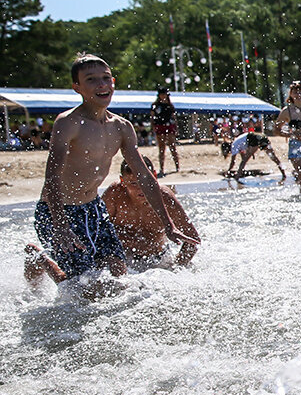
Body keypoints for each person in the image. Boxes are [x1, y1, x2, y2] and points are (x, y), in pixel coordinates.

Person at [30, 55, 199, 294]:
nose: (101, 85)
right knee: (81, 289)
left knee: (120, 278)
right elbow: (53, 177)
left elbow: (145, 176)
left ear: (113, 82)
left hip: (93, 208)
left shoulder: (121, 127)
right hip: (58, 210)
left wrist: (168, 224)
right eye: (91, 80)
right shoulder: (68, 123)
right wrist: (60, 226)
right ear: (76, 87)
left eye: (105, 78)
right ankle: (39, 258)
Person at [150, 88, 180, 177]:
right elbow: (152, 117)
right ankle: (161, 168)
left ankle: (177, 166)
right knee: (162, 149)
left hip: (169, 126)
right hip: (159, 126)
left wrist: (176, 128)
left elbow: (174, 117)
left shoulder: (170, 106)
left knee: (172, 147)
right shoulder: (155, 105)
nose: (163, 96)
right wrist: (153, 128)